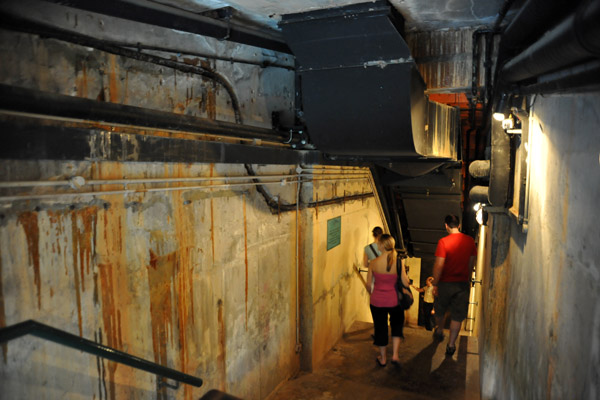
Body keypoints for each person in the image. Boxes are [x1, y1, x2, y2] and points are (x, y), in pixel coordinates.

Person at [431, 215, 477, 356]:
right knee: (457, 316)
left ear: (446, 225)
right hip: (462, 284)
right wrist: (467, 277)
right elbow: (471, 262)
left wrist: (435, 283)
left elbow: (439, 265)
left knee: (439, 309)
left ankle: (439, 330)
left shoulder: (443, 242)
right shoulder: (470, 241)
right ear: (459, 225)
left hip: (445, 283)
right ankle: (451, 345)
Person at [366, 234, 410, 367]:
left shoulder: (373, 262)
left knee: (380, 328)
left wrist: (373, 293)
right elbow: (405, 282)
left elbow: (369, 285)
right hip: (395, 301)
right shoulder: (398, 262)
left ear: (381, 246)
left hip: (377, 302)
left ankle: (383, 358)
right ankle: (395, 355)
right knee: (396, 326)